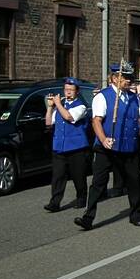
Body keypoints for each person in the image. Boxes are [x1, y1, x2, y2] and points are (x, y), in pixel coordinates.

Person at [75, 63, 140, 230]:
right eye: (126, 78)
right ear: (114, 79)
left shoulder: (133, 97)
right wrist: (103, 139)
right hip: (106, 147)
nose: (129, 81)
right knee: (98, 182)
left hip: (128, 146)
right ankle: (88, 216)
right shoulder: (103, 96)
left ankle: (136, 214)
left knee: (133, 181)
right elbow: (96, 121)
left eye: (130, 78)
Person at [43, 77, 89, 212]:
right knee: (58, 176)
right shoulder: (60, 105)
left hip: (76, 146)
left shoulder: (81, 106)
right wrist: (50, 107)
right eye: (66, 89)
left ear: (77, 91)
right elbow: (48, 122)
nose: (68, 92)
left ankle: (81, 198)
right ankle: (54, 202)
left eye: (71, 90)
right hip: (59, 146)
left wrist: (58, 104)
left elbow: (69, 117)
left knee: (78, 175)